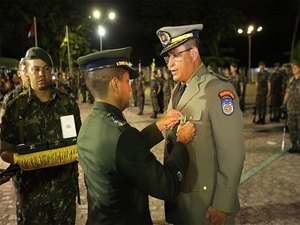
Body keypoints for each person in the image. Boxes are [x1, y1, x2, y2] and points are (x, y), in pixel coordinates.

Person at [76, 47, 196, 225]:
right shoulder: (122, 136)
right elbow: (167, 186)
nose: (130, 88)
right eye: (127, 81)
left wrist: (157, 126)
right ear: (115, 85)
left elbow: (122, 155)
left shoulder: (90, 124)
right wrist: (181, 143)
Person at [156, 24, 245, 225]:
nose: (169, 64)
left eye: (175, 56)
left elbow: (233, 152)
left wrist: (223, 203)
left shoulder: (217, 90)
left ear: (194, 53)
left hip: (205, 205)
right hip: (182, 197)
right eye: (167, 58)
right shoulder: (178, 89)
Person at [0, 47, 81, 225]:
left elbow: (79, 140)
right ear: (26, 72)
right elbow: (4, 148)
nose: (41, 74)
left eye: (46, 68)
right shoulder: (16, 107)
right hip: (31, 195)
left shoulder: (67, 103)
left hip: (63, 193)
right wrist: (21, 160)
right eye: (35, 69)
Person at [0, 57, 29, 125]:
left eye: (30, 70)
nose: (27, 74)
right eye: (25, 70)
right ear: (18, 73)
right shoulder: (11, 98)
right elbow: (3, 125)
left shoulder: (42, 93)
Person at [282, 60, 300, 153]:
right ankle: (294, 145)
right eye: (293, 68)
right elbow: (287, 92)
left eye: (295, 68)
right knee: (292, 127)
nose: (293, 69)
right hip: (291, 108)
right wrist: (284, 103)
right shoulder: (291, 80)